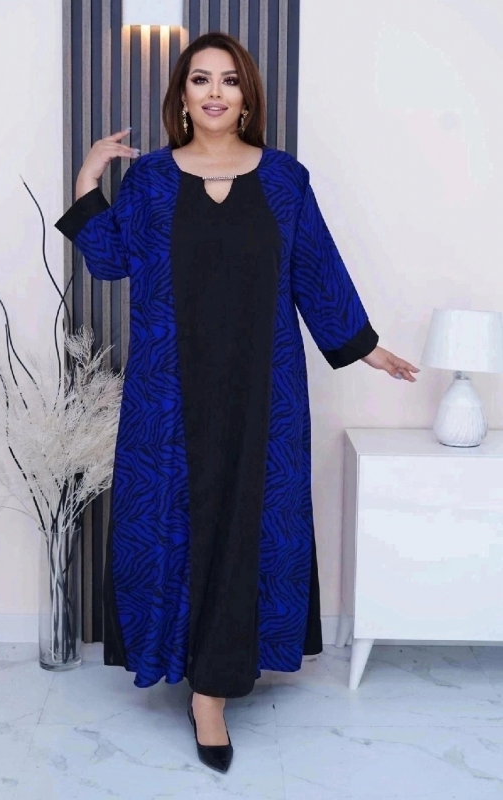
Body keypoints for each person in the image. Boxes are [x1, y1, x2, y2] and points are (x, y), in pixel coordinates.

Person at [55, 31, 419, 774]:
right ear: (182, 97)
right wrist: (90, 174)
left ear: (247, 95)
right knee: (174, 522)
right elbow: (111, 259)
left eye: (228, 80)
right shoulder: (152, 179)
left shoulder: (284, 179)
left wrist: (365, 346)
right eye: (200, 80)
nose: (215, 92)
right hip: (167, 393)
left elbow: (315, 267)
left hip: (264, 389)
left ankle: (215, 689)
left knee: (251, 521)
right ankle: (193, 677)